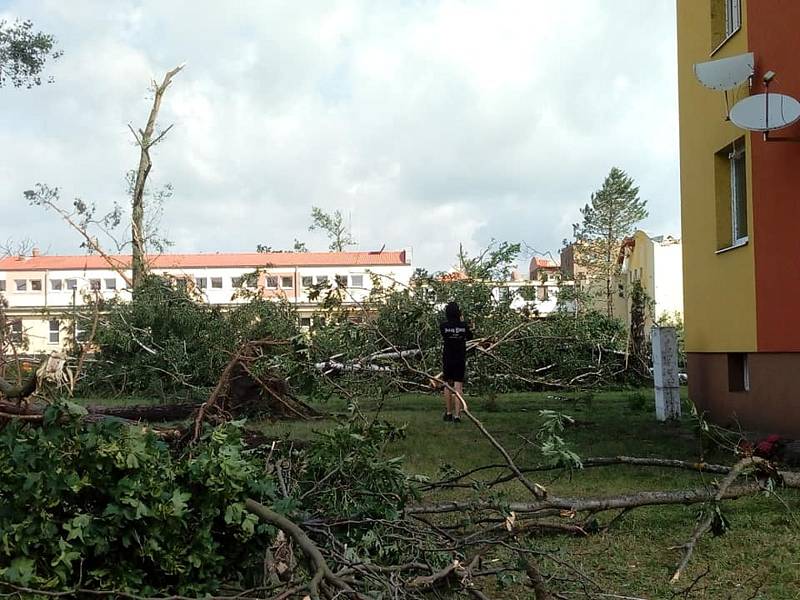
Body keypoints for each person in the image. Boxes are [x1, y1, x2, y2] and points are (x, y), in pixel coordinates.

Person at [440, 301, 472, 423]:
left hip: (448, 358)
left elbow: (444, 335)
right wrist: (462, 321)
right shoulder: (463, 326)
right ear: (458, 312)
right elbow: (470, 337)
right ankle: (457, 416)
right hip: (460, 358)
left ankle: (448, 413)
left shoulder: (443, 326)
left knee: (447, 385)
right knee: (458, 386)